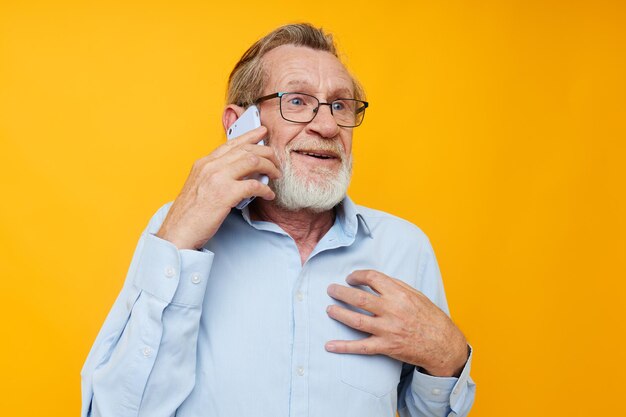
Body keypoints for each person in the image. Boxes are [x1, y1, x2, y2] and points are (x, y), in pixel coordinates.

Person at [81, 23, 476, 417]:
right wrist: (177, 243)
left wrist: (449, 355)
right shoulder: (177, 229)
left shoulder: (404, 248)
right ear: (241, 124)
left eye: (340, 105)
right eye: (298, 101)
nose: (327, 127)